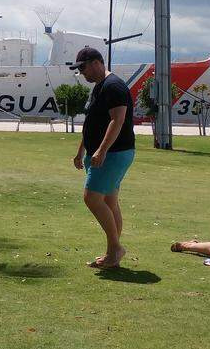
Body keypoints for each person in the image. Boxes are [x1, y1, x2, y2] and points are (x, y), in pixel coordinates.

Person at [69, 46, 136, 269]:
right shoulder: (99, 87)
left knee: (92, 198)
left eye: (84, 68)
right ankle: (112, 252)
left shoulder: (113, 86)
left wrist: (102, 150)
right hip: (103, 153)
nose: (82, 73)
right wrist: (82, 151)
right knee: (109, 201)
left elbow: (117, 120)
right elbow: (92, 123)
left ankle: (115, 248)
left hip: (113, 154)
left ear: (97, 62)